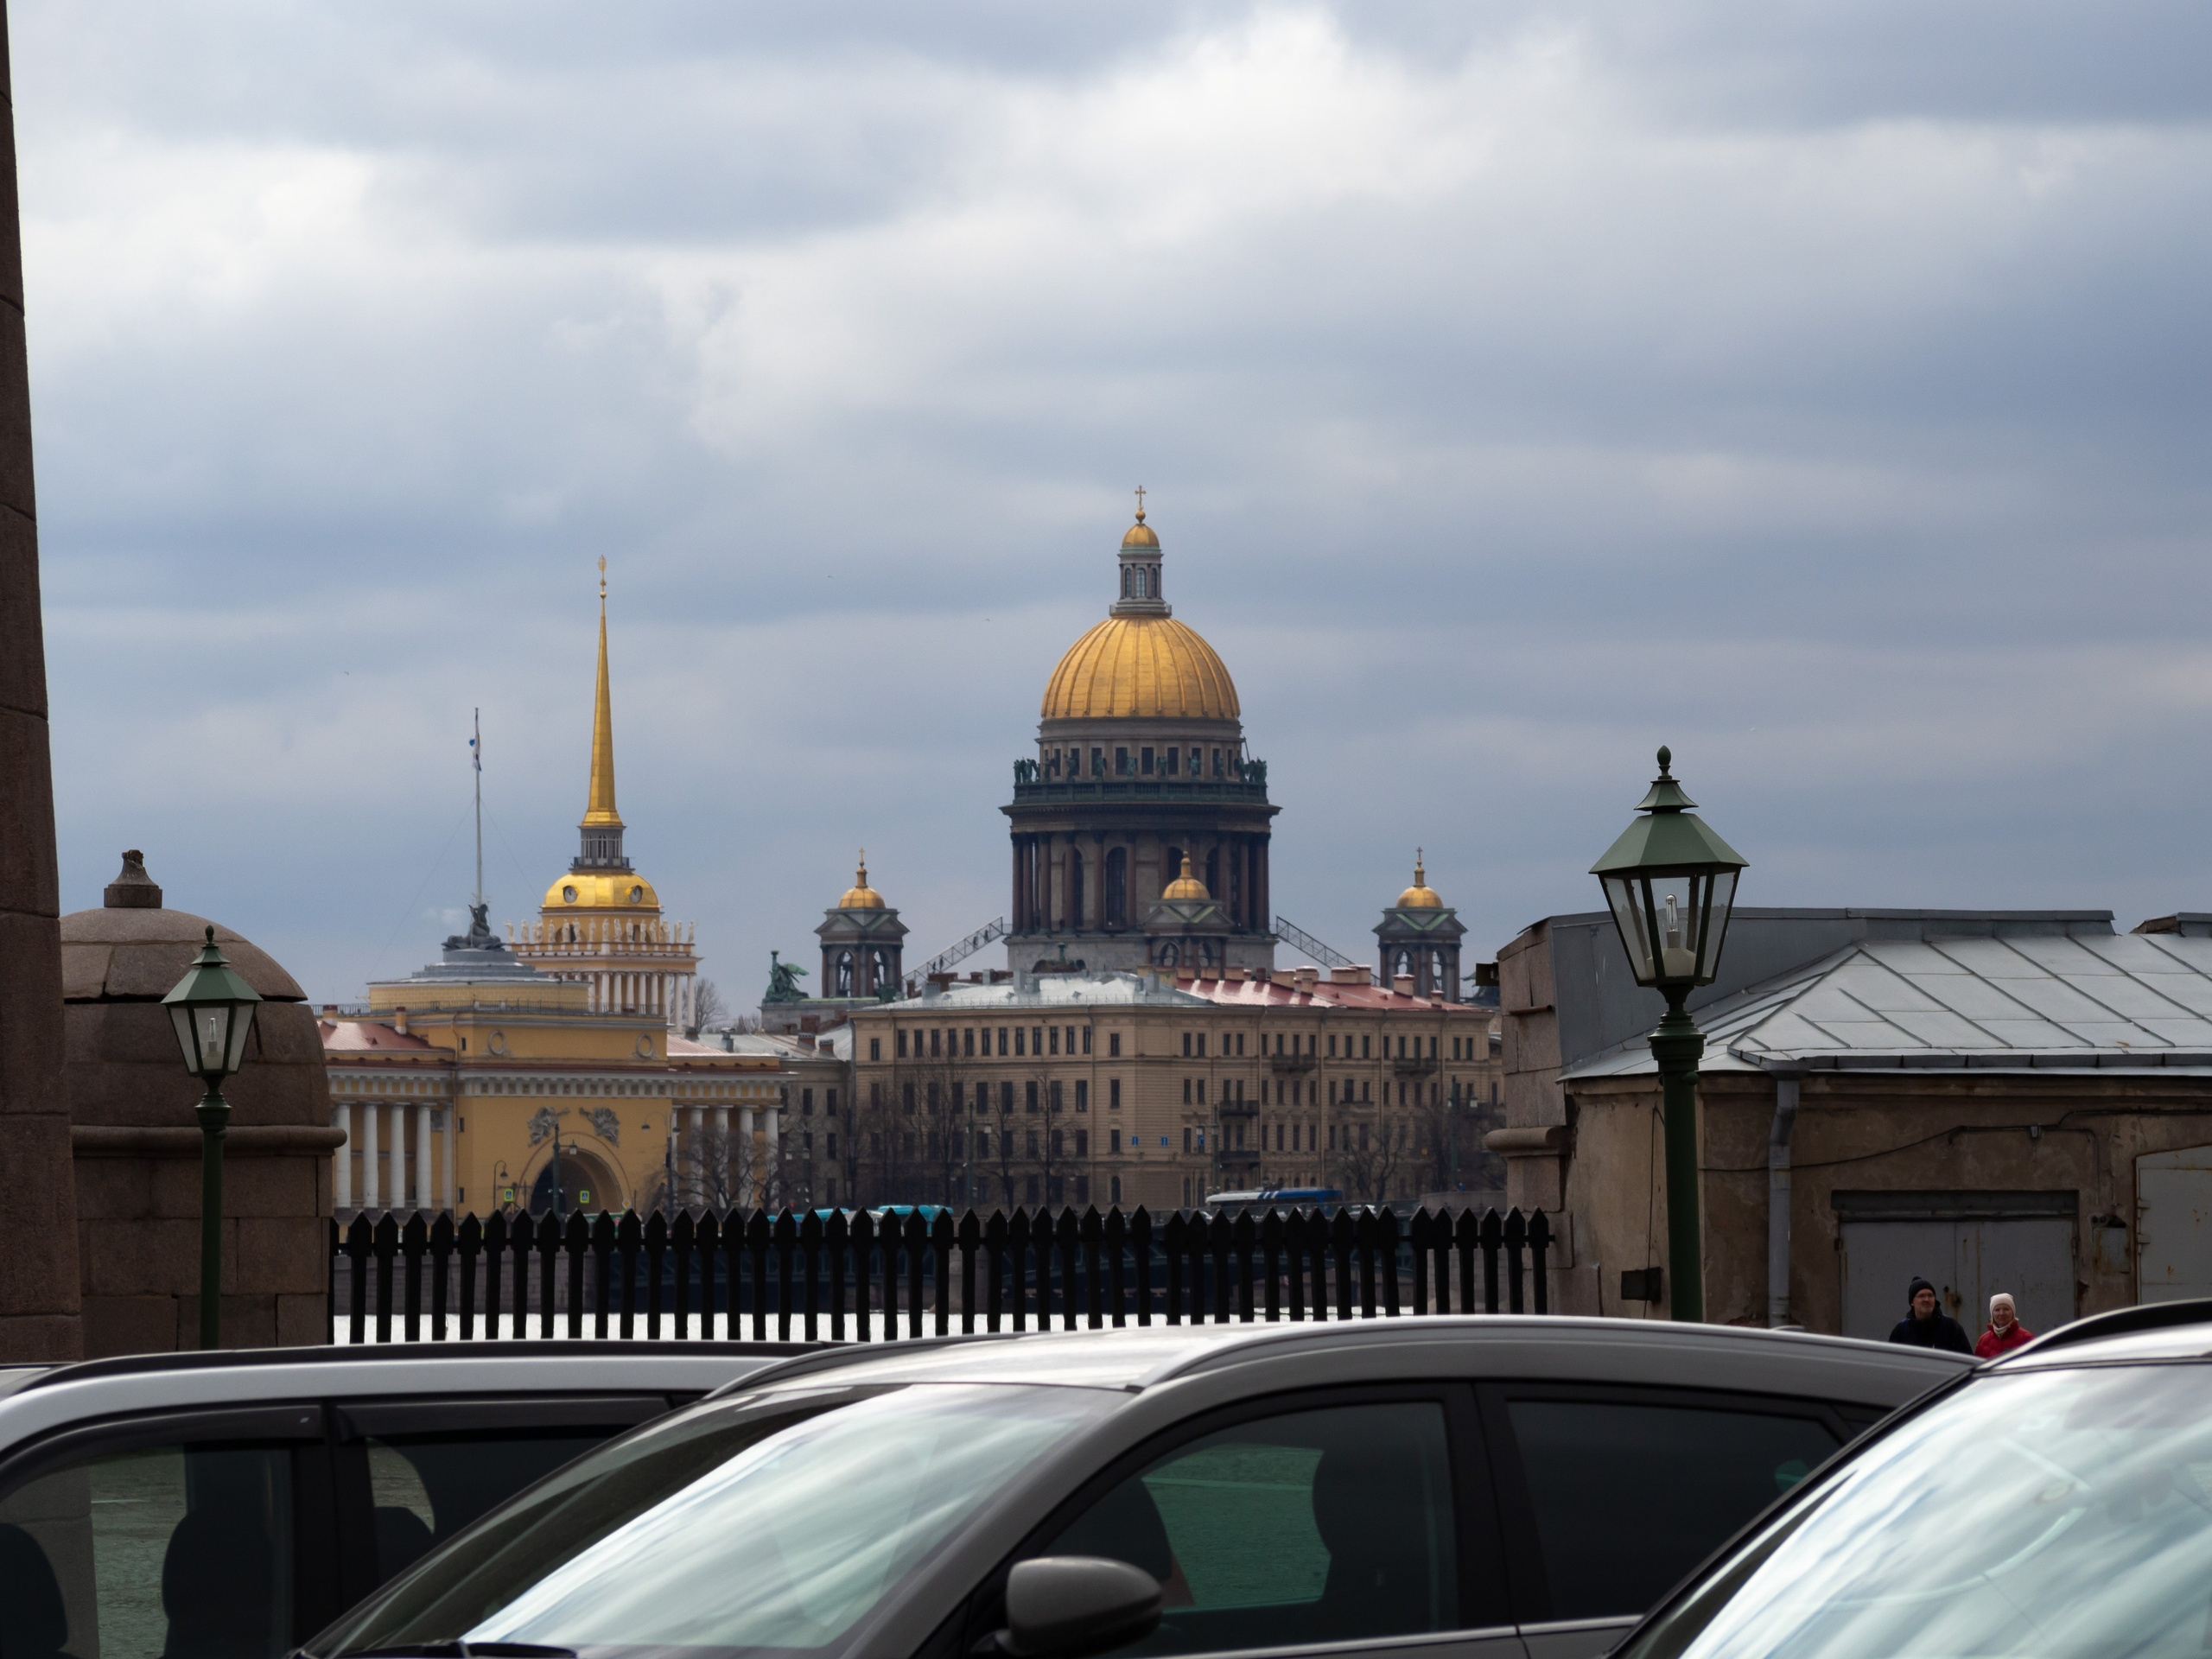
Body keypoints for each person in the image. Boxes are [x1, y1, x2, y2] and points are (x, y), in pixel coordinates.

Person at [1888, 1276, 1973, 1352]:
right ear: (1911, 1302)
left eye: (1930, 1295)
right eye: (1921, 1296)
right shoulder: (1901, 1331)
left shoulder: (1951, 1327)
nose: (1927, 1299)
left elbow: (1967, 1362)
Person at [1974, 1291, 2036, 1357]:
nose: (2001, 1313)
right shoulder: (1983, 1341)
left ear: (2013, 1312)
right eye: (1997, 1310)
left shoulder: (2027, 1338)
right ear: (1992, 1314)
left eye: (2006, 1309)